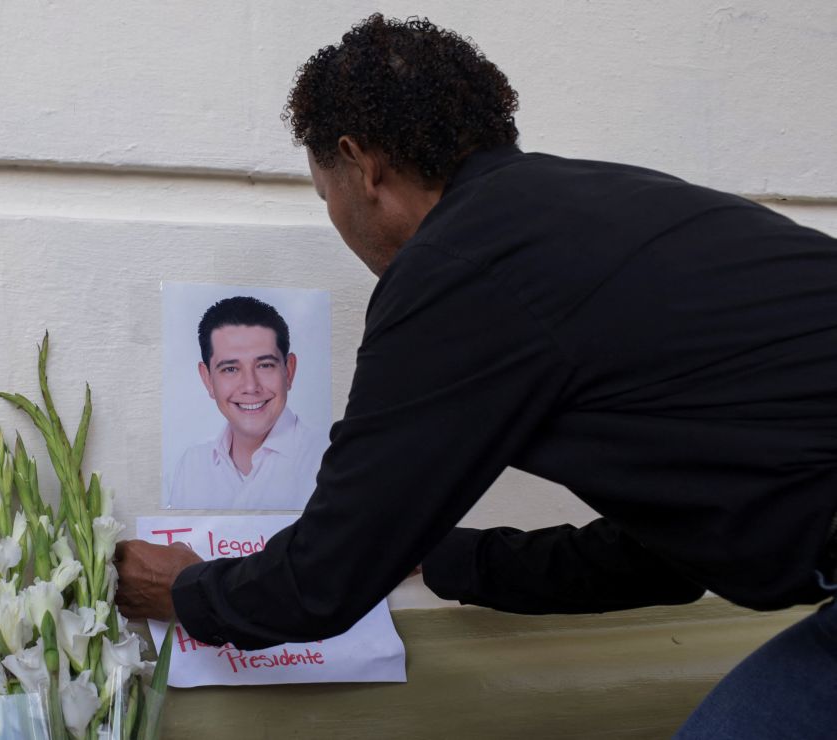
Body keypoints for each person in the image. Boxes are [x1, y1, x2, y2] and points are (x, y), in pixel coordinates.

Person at [117, 14, 837, 736]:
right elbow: (666, 559)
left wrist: (185, 591)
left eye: (322, 192)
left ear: (360, 164)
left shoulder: (459, 265)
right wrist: (440, 557)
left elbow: (323, 581)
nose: (334, 213)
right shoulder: (600, 206)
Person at [167, 296, 325, 510]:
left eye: (265, 365)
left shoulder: (328, 458)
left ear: (289, 371)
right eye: (230, 369)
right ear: (207, 379)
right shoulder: (191, 467)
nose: (250, 386)